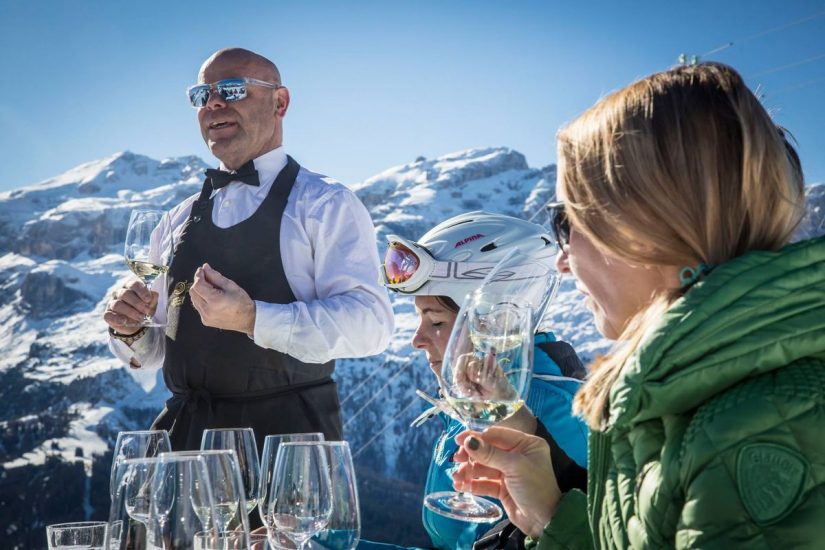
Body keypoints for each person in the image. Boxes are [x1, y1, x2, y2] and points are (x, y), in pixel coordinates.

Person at [451, 62, 825, 548]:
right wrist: (553, 518)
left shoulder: (751, 430)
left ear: (644, 230)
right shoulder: (697, 392)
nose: (562, 262)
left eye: (567, 223)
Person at [103, 48, 394, 452]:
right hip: (185, 441)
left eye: (232, 89)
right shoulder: (175, 219)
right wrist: (130, 328)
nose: (214, 103)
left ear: (280, 102)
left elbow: (371, 325)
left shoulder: (325, 204)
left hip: (289, 443)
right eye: (202, 95)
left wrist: (253, 318)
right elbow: (155, 352)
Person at [381, 212, 588, 549]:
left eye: (436, 321)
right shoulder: (476, 399)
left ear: (494, 322)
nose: (417, 340)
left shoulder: (559, 413)